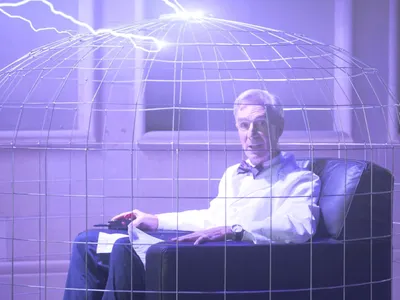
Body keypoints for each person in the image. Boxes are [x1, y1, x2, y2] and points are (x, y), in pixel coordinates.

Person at [63, 89, 321, 300]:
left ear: (279, 127)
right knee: (88, 241)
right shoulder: (233, 174)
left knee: (122, 247)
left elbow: (299, 227)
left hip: (235, 263)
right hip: (207, 250)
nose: (251, 134)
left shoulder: (302, 180)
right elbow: (211, 218)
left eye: (261, 124)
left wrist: (235, 229)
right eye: (244, 125)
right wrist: (157, 220)